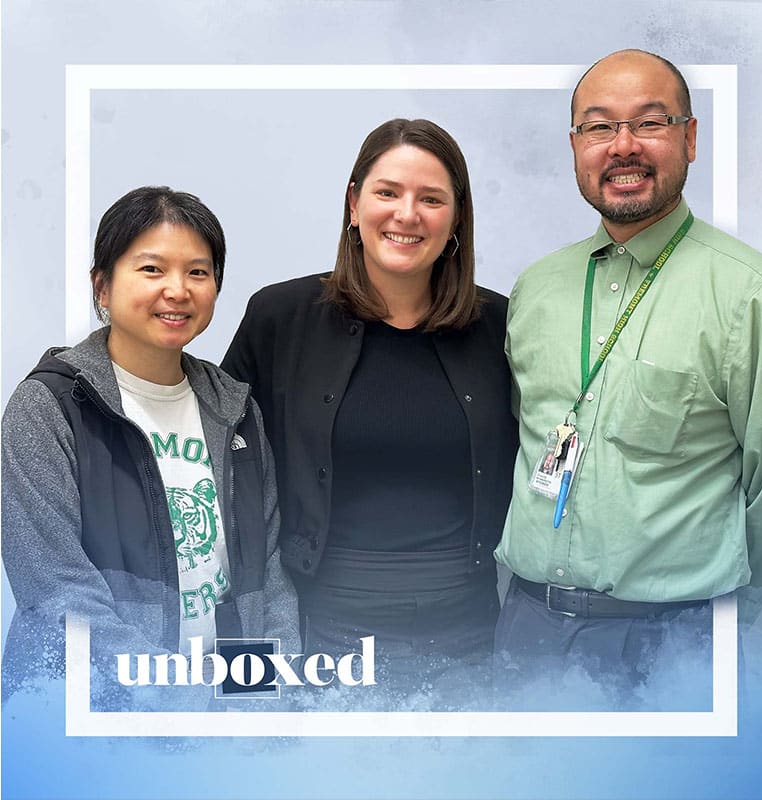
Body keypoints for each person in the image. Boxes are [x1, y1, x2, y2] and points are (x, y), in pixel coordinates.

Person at [494, 50, 762, 703]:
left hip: (669, 639)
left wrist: (722, 622)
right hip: (525, 629)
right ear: (576, 146)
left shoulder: (754, 294)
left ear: (690, 138)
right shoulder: (536, 288)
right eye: (599, 127)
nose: (622, 146)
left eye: (649, 124)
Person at [222, 119, 517, 699]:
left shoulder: (502, 327)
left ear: (456, 219)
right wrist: (247, 667)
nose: (407, 214)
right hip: (317, 636)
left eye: (431, 199)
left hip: (471, 640)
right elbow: (225, 476)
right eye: (387, 192)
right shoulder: (279, 317)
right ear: (353, 204)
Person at [2, 186, 300, 708]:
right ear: (102, 287)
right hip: (88, 722)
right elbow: (56, 592)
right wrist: (179, 702)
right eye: (152, 269)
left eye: (198, 272)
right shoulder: (48, 407)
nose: (178, 290)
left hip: (219, 724)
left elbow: (265, 578)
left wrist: (258, 704)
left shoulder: (235, 411)